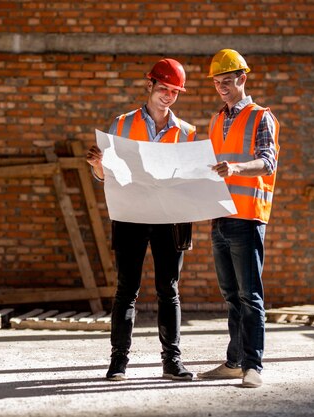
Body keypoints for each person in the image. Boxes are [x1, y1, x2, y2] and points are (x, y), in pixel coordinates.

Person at [86, 58, 196, 381]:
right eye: (164, 89)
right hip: (131, 216)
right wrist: (97, 165)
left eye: (175, 92)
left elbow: (191, 179)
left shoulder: (186, 133)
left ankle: (171, 362)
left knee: (169, 290)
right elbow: (108, 176)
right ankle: (118, 362)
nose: (168, 96)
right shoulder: (121, 125)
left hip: (169, 218)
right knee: (126, 289)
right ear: (149, 86)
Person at [196, 49, 280, 388]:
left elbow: (268, 162)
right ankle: (234, 362)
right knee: (231, 296)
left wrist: (237, 168)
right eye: (217, 83)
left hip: (246, 219)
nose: (221, 87)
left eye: (227, 81)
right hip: (219, 218)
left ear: (242, 79)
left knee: (250, 296)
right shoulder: (216, 119)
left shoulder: (261, 117)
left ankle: (253, 366)